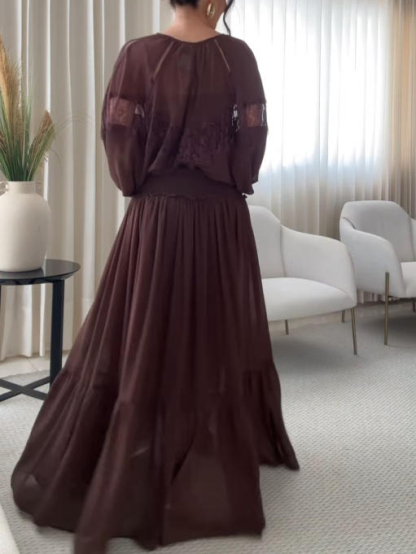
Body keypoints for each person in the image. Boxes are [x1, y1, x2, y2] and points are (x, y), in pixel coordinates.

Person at [10, 0, 300, 552]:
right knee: (212, 334)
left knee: (144, 334)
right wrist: (229, 176)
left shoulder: (138, 56)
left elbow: (119, 139)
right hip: (220, 218)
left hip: (157, 217)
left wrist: (142, 183)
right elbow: (252, 139)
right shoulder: (237, 56)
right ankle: (202, 446)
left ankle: (146, 444)